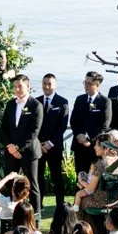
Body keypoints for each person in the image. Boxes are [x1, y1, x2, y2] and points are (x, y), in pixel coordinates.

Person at [0, 73, 44, 206]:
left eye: (20, 86)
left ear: (28, 87)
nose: (17, 89)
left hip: (29, 151)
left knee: (32, 184)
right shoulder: (10, 104)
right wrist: (10, 146)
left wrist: (18, 147)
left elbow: (34, 132)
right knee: (10, 183)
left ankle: (35, 215)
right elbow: (4, 127)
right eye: (15, 87)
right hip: (11, 151)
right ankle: (10, 212)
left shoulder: (36, 105)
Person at [69, 70, 112, 182]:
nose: (86, 86)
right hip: (79, 144)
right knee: (80, 176)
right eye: (85, 83)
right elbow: (73, 120)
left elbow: (105, 125)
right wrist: (79, 134)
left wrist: (90, 138)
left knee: (94, 177)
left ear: (97, 84)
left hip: (95, 146)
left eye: (89, 84)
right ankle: (78, 193)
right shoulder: (80, 99)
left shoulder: (105, 101)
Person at [37, 73, 70, 207]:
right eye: (44, 83)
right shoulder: (36, 101)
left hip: (54, 146)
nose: (46, 86)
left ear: (55, 85)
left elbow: (62, 126)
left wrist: (50, 143)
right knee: (38, 176)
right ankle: (38, 203)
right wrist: (38, 144)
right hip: (38, 146)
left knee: (56, 176)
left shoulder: (62, 102)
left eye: (49, 83)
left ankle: (60, 204)